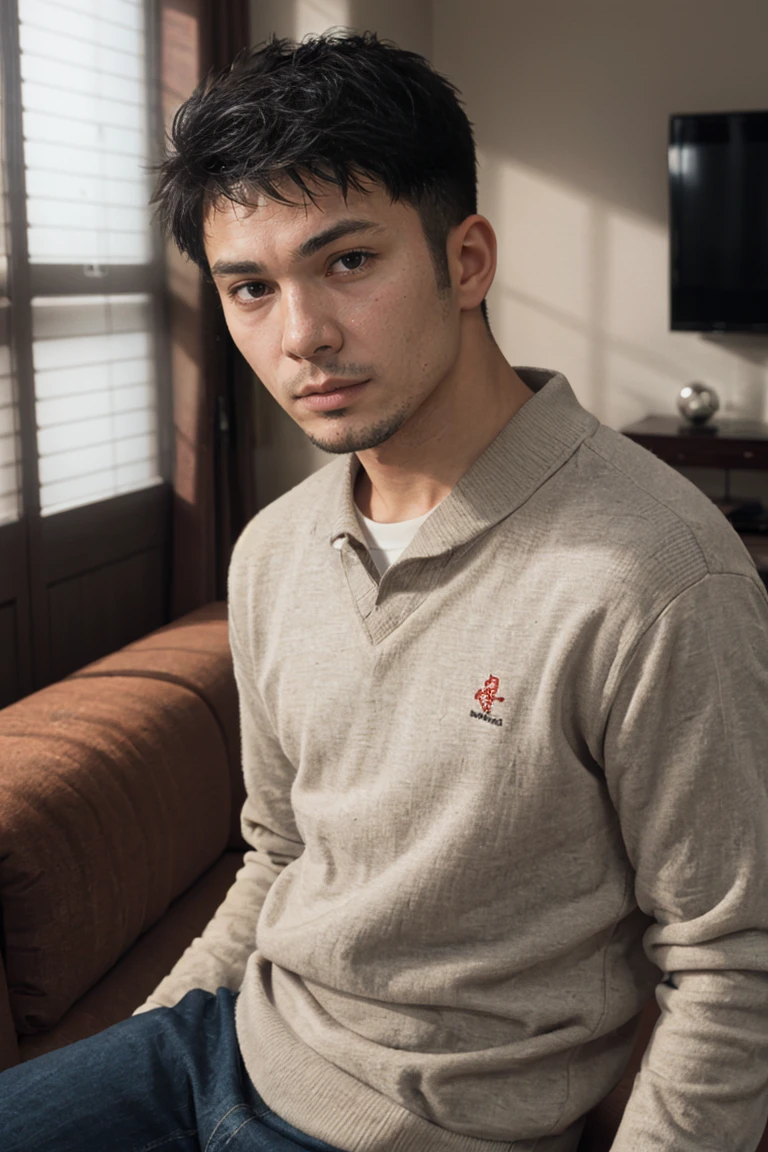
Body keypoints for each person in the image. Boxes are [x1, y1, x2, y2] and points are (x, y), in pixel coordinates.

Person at [2, 30, 768, 1152]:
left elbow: (734, 965)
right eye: (250, 288)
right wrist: (150, 1048)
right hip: (217, 1044)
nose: (301, 335)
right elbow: (279, 852)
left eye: (348, 262)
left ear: (465, 261)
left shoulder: (659, 573)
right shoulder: (270, 549)